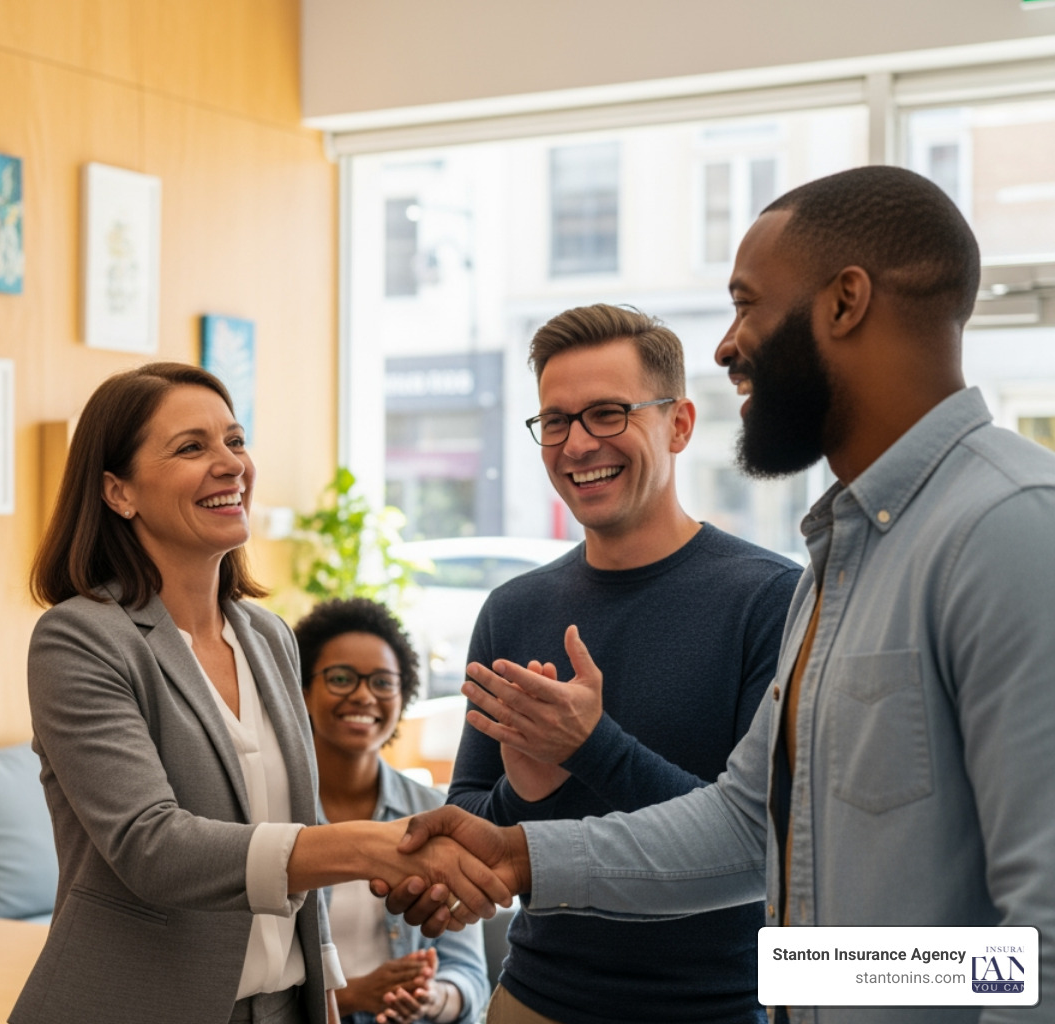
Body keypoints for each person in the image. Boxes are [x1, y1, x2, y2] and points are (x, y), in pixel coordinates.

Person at [388, 166, 1055, 1024]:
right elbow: (748, 826)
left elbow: (1037, 946)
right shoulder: (843, 555)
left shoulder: (1011, 524)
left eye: (747, 305)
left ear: (845, 302)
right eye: (556, 420)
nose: (726, 346)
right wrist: (520, 854)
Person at [12, 362, 511, 1024]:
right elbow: (152, 846)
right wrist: (370, 845)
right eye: (191, 447)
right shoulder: (81, 638)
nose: (231, 465)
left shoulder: (268, 637)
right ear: (118, 492)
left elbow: (294, 835)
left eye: (235, 441)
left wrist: (322, 980)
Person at [439, 304, 798, 1024]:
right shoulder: (512, 609)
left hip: (716, 1009)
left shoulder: (772, 600)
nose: (577, 444)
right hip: (533, 998)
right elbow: (469, 822)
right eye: (555, 421)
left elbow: (760, 843)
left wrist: (592, 749)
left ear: (680, 424)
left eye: (607, 413)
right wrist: (526, 791)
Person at [295, 598, 489, 1024]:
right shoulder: (272, 812)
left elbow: (470, 974)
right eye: (341, 678)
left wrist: (432, 998)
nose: (364, 695)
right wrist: (352, 996)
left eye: (383, 682)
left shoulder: (436, 814)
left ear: (403, 697)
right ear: (303, 691)